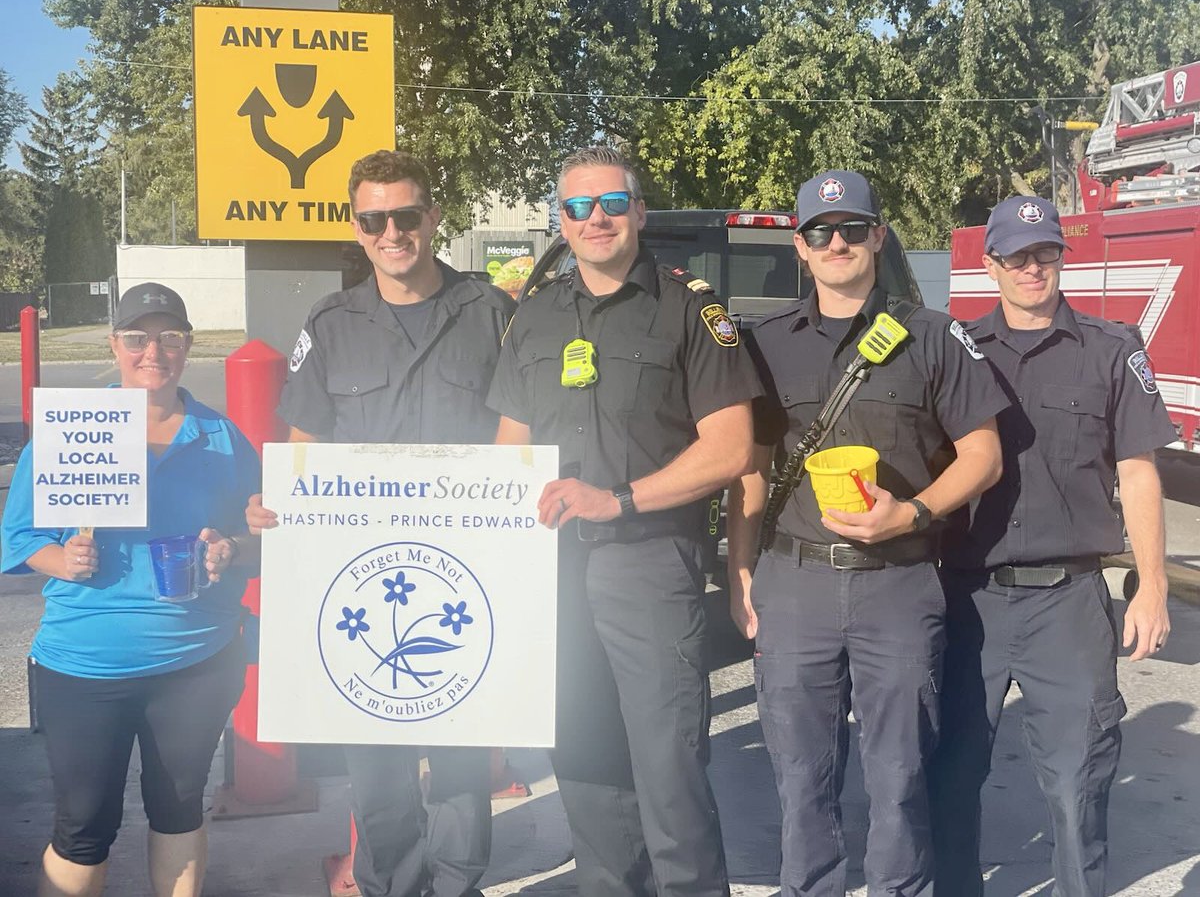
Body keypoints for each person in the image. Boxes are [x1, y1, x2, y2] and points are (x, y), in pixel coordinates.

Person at [486, 145, 759, 897]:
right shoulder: (534, 316)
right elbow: (509, 446)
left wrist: (622, 498)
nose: (595, 218)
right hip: (553, 574)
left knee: (668, 770)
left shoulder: (690, 309)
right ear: (561, 223)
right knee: (582, 762)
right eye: (578, 207)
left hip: (649, 562)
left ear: (639, 213)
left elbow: (733, 447)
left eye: (611, 203)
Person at [726, 170, 1007, 897]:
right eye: (821, 231)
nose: (838, 242)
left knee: (901, 775)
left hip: (900, 582)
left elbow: (983, 455)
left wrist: (912, 513)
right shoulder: (765, 344)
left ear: (879, 237)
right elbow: (750, 472)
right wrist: (742, 572)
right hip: (796, 582)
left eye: (854, 228)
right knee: (799, 776)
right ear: (801, 247)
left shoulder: (934, 335)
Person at [246, 149, 513, 897]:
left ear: (433, 216)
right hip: (365, 584)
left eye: (405, 215)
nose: (391, 232)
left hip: (465, 575)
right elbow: (303, 452)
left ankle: (458, 886)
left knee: (463, 760)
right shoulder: (330, 324)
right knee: (377, 766)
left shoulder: (489, 312)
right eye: (374, 219)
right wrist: (280, 509)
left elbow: (519, 439)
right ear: (356, 227)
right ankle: (393, 885)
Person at [929, 196, 1175, 896]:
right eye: (1017, 256)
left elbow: (1137, 469)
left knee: (1077, 785)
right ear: (993, 265)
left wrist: (1151, 585)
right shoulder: (956, 348)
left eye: (1045, 253)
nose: (1032, 267)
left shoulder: (1111, 349)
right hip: (967, 598)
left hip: (1068, 603)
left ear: (1061, 257)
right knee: (950, 775)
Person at [1, 283, 260, 897]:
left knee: (179, 809)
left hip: (196, 660)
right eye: (138, 337)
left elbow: (258, 534)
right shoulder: (72, 430)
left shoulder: (221, 437)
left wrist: (232, 549)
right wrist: (60, 559)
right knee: (83, 825)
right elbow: (17, 535)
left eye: (170, 337)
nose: (154, 351)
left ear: (188, 346)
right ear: (115, 345)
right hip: (84, 664)